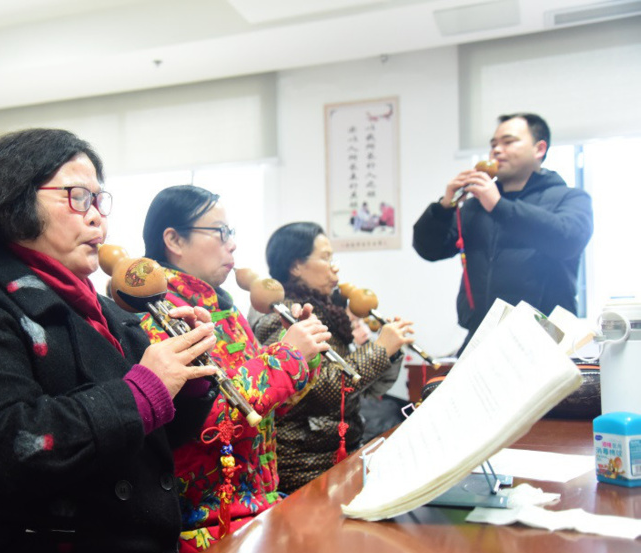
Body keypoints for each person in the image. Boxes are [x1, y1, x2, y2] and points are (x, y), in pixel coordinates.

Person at [0, 129, 221, 553]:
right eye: (78, 198)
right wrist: (142, 393)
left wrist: (188, 381)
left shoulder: (106, 313)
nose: (99, 222)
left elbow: (157, 444)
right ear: (13, 203)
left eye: (99, 201)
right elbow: (11, 448)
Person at [138, 185, 331, 553]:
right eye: (220, 233)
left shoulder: (224, 307)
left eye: (232, 233)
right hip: (206, 525)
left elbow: (267, 413)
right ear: (174, 240)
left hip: (256, 507)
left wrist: (307, 355)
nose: (232, 246)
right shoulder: (159, 315)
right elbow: (208, 423)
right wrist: (286, 356)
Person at [252, 222, 413, 493]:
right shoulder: (280, 318)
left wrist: (391, 350)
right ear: (295, 266)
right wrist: (380, 348)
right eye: (326, 258)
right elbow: (321, 390)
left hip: (339, 453)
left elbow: (366, 388)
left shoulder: (328, 312)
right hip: (304, 467)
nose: (335, 266)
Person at [412, 113, 593, 350]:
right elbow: (430, 250)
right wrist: (445, 206)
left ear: (539, 149)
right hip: (481, 337)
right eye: (494, 144)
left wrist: (499, 206)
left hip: (544, 340)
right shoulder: (476, 206)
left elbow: (568, 239)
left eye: (508, 142)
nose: (497, 150)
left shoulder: (570, 198)